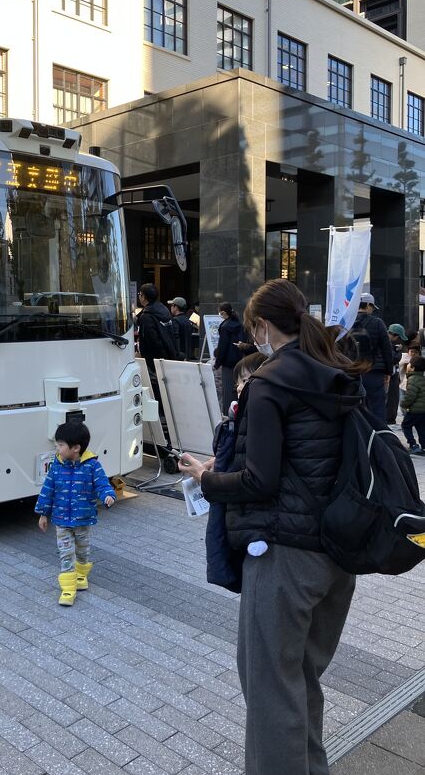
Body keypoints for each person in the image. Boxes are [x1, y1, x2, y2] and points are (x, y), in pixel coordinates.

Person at [180, 278, 365, 775]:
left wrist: (206, 478)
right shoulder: (335, 369)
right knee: (300, 680)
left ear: (262, 326)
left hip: (285, 558)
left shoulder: (269, 383)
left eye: (251, 329)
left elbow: (259, 481)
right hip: (338, 554)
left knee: (270, 691)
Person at [205, 351, 267, 593]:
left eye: (246, 380)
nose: (240, 387)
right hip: (232, 501)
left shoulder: (259, 417)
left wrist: (205, 478)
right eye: (239, 382)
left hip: (245, 509)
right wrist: (217, 462)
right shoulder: (237, 415)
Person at [35, 421, 115, 606]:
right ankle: (68, 588)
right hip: (61, 520)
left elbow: (102, 484)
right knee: (65, 553)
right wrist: (43, 513)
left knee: (82, 550)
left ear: (76, 448)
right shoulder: (56, 466)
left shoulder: (92, 466)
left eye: (60, 445)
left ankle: (81, 574)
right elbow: (48, 489)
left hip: (83, 519)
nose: (57, 448)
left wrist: (108, 495)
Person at [350, 292, 393, 423]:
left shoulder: (348, 322)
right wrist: (388, 371)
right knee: (377, 405)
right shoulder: (377, 323)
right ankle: (379, 431)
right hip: (374, 369)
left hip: (352, 370)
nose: (372, 310)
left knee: (355, 404)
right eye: (372, 307)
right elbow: (387, 349)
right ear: (368, 305)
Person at [136, 283, 179, 371]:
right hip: (170, 354)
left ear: (143, 297)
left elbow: (151, 340)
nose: (139, 296)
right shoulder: (165, 310)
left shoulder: (146, 316)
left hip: (155, 361)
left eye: (140, 294)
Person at [213, 302, 246, 415]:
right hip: (239, 361)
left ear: (223, 312)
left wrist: (217, 363)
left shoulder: (225, 327)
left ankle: (228, 414)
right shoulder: (239, 324)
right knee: (236, 389)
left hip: (227, 363)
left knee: (227, 390)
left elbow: (222, 347)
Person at [400, 355, 425, 454]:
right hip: (423, 410)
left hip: (414, 410)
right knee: (421, 428)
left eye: (409, 364)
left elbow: (410, 395)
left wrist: (404, 404)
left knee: (405, 425)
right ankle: (424, 446)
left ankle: (413, 445)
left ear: (412, 368)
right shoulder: (422, 378)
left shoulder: (412, 379)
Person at [386, 323, 408, 424]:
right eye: (398, 338)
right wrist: (399, 351)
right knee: (392, 398)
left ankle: (390, 418)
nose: (399, 341)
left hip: (390, 374)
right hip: (389, 375)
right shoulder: (387, 343)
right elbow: (394, 359)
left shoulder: (386, 342)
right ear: (394, 335)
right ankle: (390, 419)